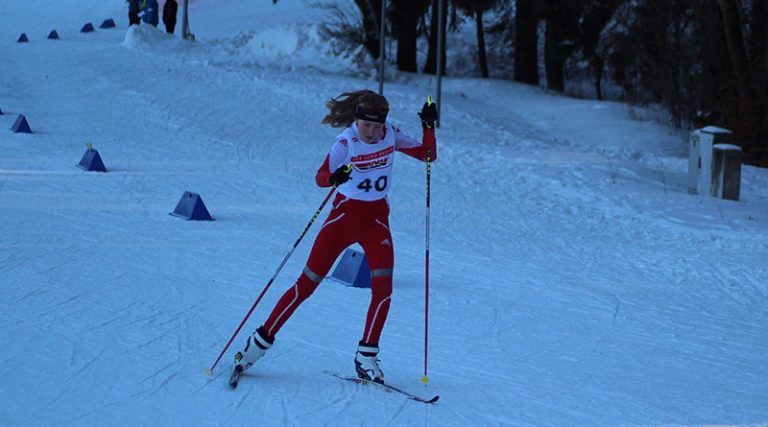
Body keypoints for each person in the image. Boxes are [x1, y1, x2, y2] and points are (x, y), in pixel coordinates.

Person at [233, 90, 438, 383]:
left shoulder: (391, 134)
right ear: (356, 121)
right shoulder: (346, 142)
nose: (370, 132)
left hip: (376, 220)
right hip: (342, 219)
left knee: (383, 290)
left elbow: (428, 156)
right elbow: (320, 178)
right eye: (365, 125)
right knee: (306, 285)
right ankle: (256, 346)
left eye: (375, 126)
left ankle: (366, 356)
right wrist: (334, 177)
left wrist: (428, 127)